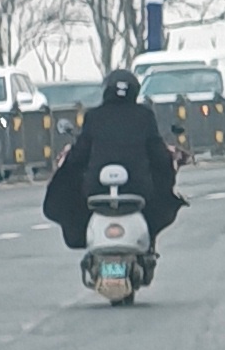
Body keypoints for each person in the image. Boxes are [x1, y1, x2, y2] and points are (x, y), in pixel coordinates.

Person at [41, 65, 183, 255]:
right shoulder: (144, 116)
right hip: (138, 189)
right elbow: (158, 156)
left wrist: (68, 162)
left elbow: (78, 159)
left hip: (96, 189)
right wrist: (171, 163)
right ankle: (147, 246)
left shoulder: (94, 117)